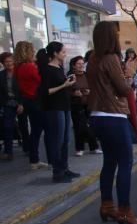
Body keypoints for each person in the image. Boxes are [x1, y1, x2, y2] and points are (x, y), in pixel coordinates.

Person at [87, 21, 137, 224]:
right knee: (125, 162)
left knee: (109, 162)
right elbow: (124, 89)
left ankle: (107, 205)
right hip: (113, 116)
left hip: (97, 116)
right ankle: (124, 211)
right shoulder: (111, 58)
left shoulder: (93, 59)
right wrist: (129, 72)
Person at [37, 42, 80, 183]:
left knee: (66, 139)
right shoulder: (47, 69)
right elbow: (47, 91)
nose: (65, 54)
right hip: (54, 108)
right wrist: (64, 85)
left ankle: (65, 168)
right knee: (58, 140)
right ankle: (57, 171)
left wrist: (68, 83)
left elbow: (61, 86)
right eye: (62, 52)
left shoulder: (60, 67)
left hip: (65, 106)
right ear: (55, 53)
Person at [15, 41, 48, 169]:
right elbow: (40, 80)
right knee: (40, 130)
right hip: (36, 100)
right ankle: (36, 159)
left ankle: (34, 159)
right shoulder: (28, 67)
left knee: (35, 131)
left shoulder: (18, 67)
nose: (34, 52)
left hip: (27, 100)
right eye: (32, 50)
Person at [68, 56, 100, 156]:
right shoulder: (70, 76)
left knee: (89, 126)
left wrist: (89, 91)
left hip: (88, 104)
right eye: (79, 64)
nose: (81, 66)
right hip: (76, 105)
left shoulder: (87, 75)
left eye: (82, 64)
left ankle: (92, 147)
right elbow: (66, 90)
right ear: (73, 65)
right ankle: (81, 148)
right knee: (79, 127)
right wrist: (74, 93)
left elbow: (95, 88)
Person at [0, 52, 27, 161]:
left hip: (21, 102)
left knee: (23, 126)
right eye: (6, 62)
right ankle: (8, 152)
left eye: (10, 61)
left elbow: (24, 89)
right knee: (7, 127)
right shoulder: (1, 75)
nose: (9, 63)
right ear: (2, 63)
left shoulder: (19, 73)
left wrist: (21, 103)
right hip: (8, 104)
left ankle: (28, 148)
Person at [122, 48, 137, 144]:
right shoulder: (126, 63)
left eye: (132, 53)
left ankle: (135, 134)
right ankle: (134, 135)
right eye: (129, 53)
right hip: (128, 89)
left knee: (135, 112)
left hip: (134, 87)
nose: (131, 55)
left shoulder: (135, 63)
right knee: (131, 113)